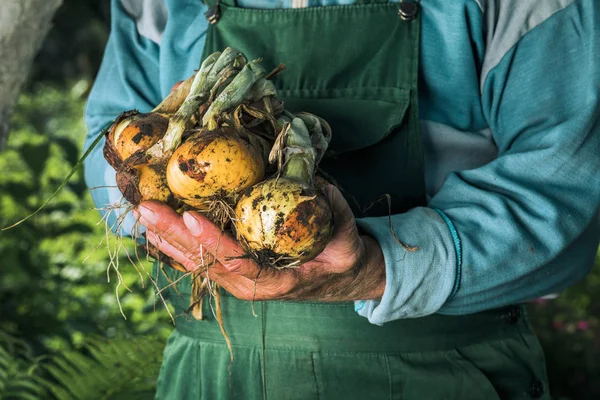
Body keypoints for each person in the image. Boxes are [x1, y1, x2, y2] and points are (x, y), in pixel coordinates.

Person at [84, 0, 600, 399]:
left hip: (444, 369)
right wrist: (165, 222)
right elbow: (109, 143)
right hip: (212, 371)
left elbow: (564, 183)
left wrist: (377, 268)